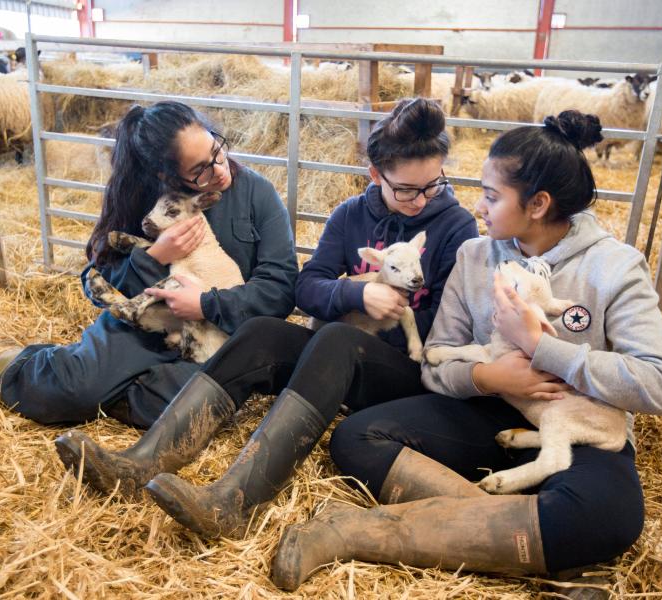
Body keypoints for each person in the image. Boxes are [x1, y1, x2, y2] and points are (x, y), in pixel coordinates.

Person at [270, 110, 662, 592]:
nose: (477, 206)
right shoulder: (476, 256)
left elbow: (661, 386)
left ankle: (355, 532)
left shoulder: (614, 267)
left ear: (538, 204)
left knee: (608, 516)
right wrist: (489, 379)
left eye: (491, 195)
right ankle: (522, 540)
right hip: (484, 414)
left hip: (575, 428)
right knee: (356, 438)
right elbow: (437, 360)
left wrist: (542, 348)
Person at [53, 97, 479, 538]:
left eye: (434, 186)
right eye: (406, 189)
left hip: (402, 364)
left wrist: (398, 310)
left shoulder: (455, 227)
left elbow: (450, 326)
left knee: (333, 339)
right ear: (376, 175)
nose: (420, 200)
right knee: (262, 332)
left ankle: (234, 501)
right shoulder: (351, 214)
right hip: (334, 354)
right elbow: (306, 287)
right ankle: (141, 462)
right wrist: (354, 291)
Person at [0, 101, 299, 428]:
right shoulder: (142, 198)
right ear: (165, 174)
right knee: (72, 391)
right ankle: (18, 364)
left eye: (216, 150)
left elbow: (281, 285)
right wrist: (154, 258)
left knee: (198, 409)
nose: (219, 169)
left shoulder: (256, 192)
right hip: (146, 325)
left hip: (217, 336)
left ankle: (111, 390)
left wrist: (207, 304)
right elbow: (97, 274)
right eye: (200, 170)